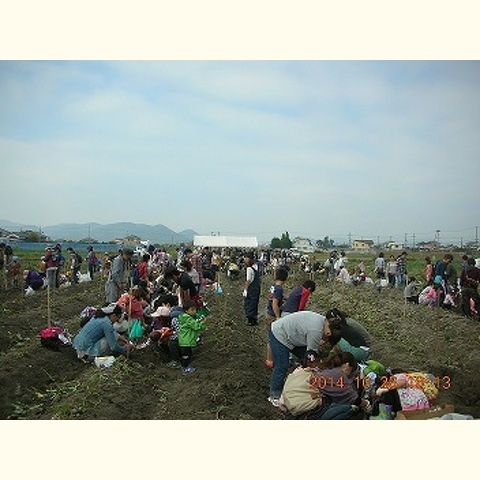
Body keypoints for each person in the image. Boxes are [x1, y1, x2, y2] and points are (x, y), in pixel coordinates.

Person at [267, 309, 345, 407]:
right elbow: (311, 354)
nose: (324, 341)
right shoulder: (316, 330)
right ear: (329, 334)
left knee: (306, 358)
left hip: (293, 336)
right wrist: (318, 368)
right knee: (282, 365)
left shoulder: (322, 322)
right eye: (327, 340)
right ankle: (274, 395)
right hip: (280, 334)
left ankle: (296, 373)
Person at [284, 351, 369, 420]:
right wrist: (367, 404)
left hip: (294, 409)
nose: (350, 376)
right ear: (347, 365)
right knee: (348, 409)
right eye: (351, 371)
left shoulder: (323, 368)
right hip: (308, 413)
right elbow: (353, 398)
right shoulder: (338, 374)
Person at [265, 267, 289, 368]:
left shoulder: (274, 286)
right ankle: (270, 360)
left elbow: (273, 297)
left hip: (268, 313)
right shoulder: (279, 289)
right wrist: (278, 317)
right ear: (285, 279)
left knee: (271, 337)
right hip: (272, 315)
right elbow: (275, 304)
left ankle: (269, 359)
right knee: (272, 338)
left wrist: (284, 298)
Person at [177, 300, 207, 375]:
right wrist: (203, 323)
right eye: (192, 310)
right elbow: (196, 327)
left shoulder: (185, 317)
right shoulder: (188, 318)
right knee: (186, 356)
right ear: (186, 311)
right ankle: (185, 368)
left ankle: (186, 366)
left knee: (188, 354)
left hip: (185, 340)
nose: (195, 311)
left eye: (195, 309)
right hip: (186, 341)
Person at [243, 251, 261, 326]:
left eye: (246, 259)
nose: (244, 260)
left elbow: (248, 280)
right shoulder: (256, 266)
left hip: (252, 289)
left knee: (249, 304)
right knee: (254, 303)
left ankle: (251, 321)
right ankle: (254, 319)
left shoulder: (249, 269)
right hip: (257, 288)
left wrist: (245, 290)